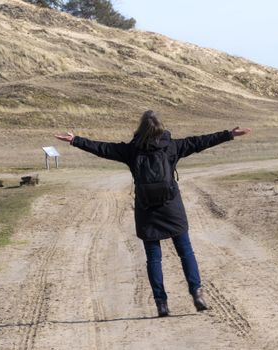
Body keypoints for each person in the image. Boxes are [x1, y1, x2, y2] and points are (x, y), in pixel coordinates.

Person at [55, 110, 251, 317]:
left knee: (153, 258)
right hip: (171, 207)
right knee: (186, 252)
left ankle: (161, 303)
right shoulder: (171, 146)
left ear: (140, 129)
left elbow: (103, 148)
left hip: (146, 209)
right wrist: (229, 134)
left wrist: (75, 140)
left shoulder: (132, 150)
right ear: (161, 127)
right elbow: (200, 141)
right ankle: (197, 292)